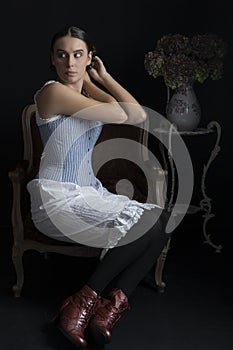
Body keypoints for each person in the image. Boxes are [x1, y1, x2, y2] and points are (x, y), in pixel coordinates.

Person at [27, 25, 172, 349]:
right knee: (147, 226)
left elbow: (135, 115)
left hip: (88, 193)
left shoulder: (84, 94)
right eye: (62, 55)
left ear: (89, 58)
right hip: (58, 200)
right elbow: (128, 114)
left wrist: (100, 79)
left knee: (161, 224)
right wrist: (94, 83)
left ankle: (105, 311)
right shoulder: (52, 92)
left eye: (78, 55)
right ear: (52, 59)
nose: (70, 62)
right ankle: (80, 304)